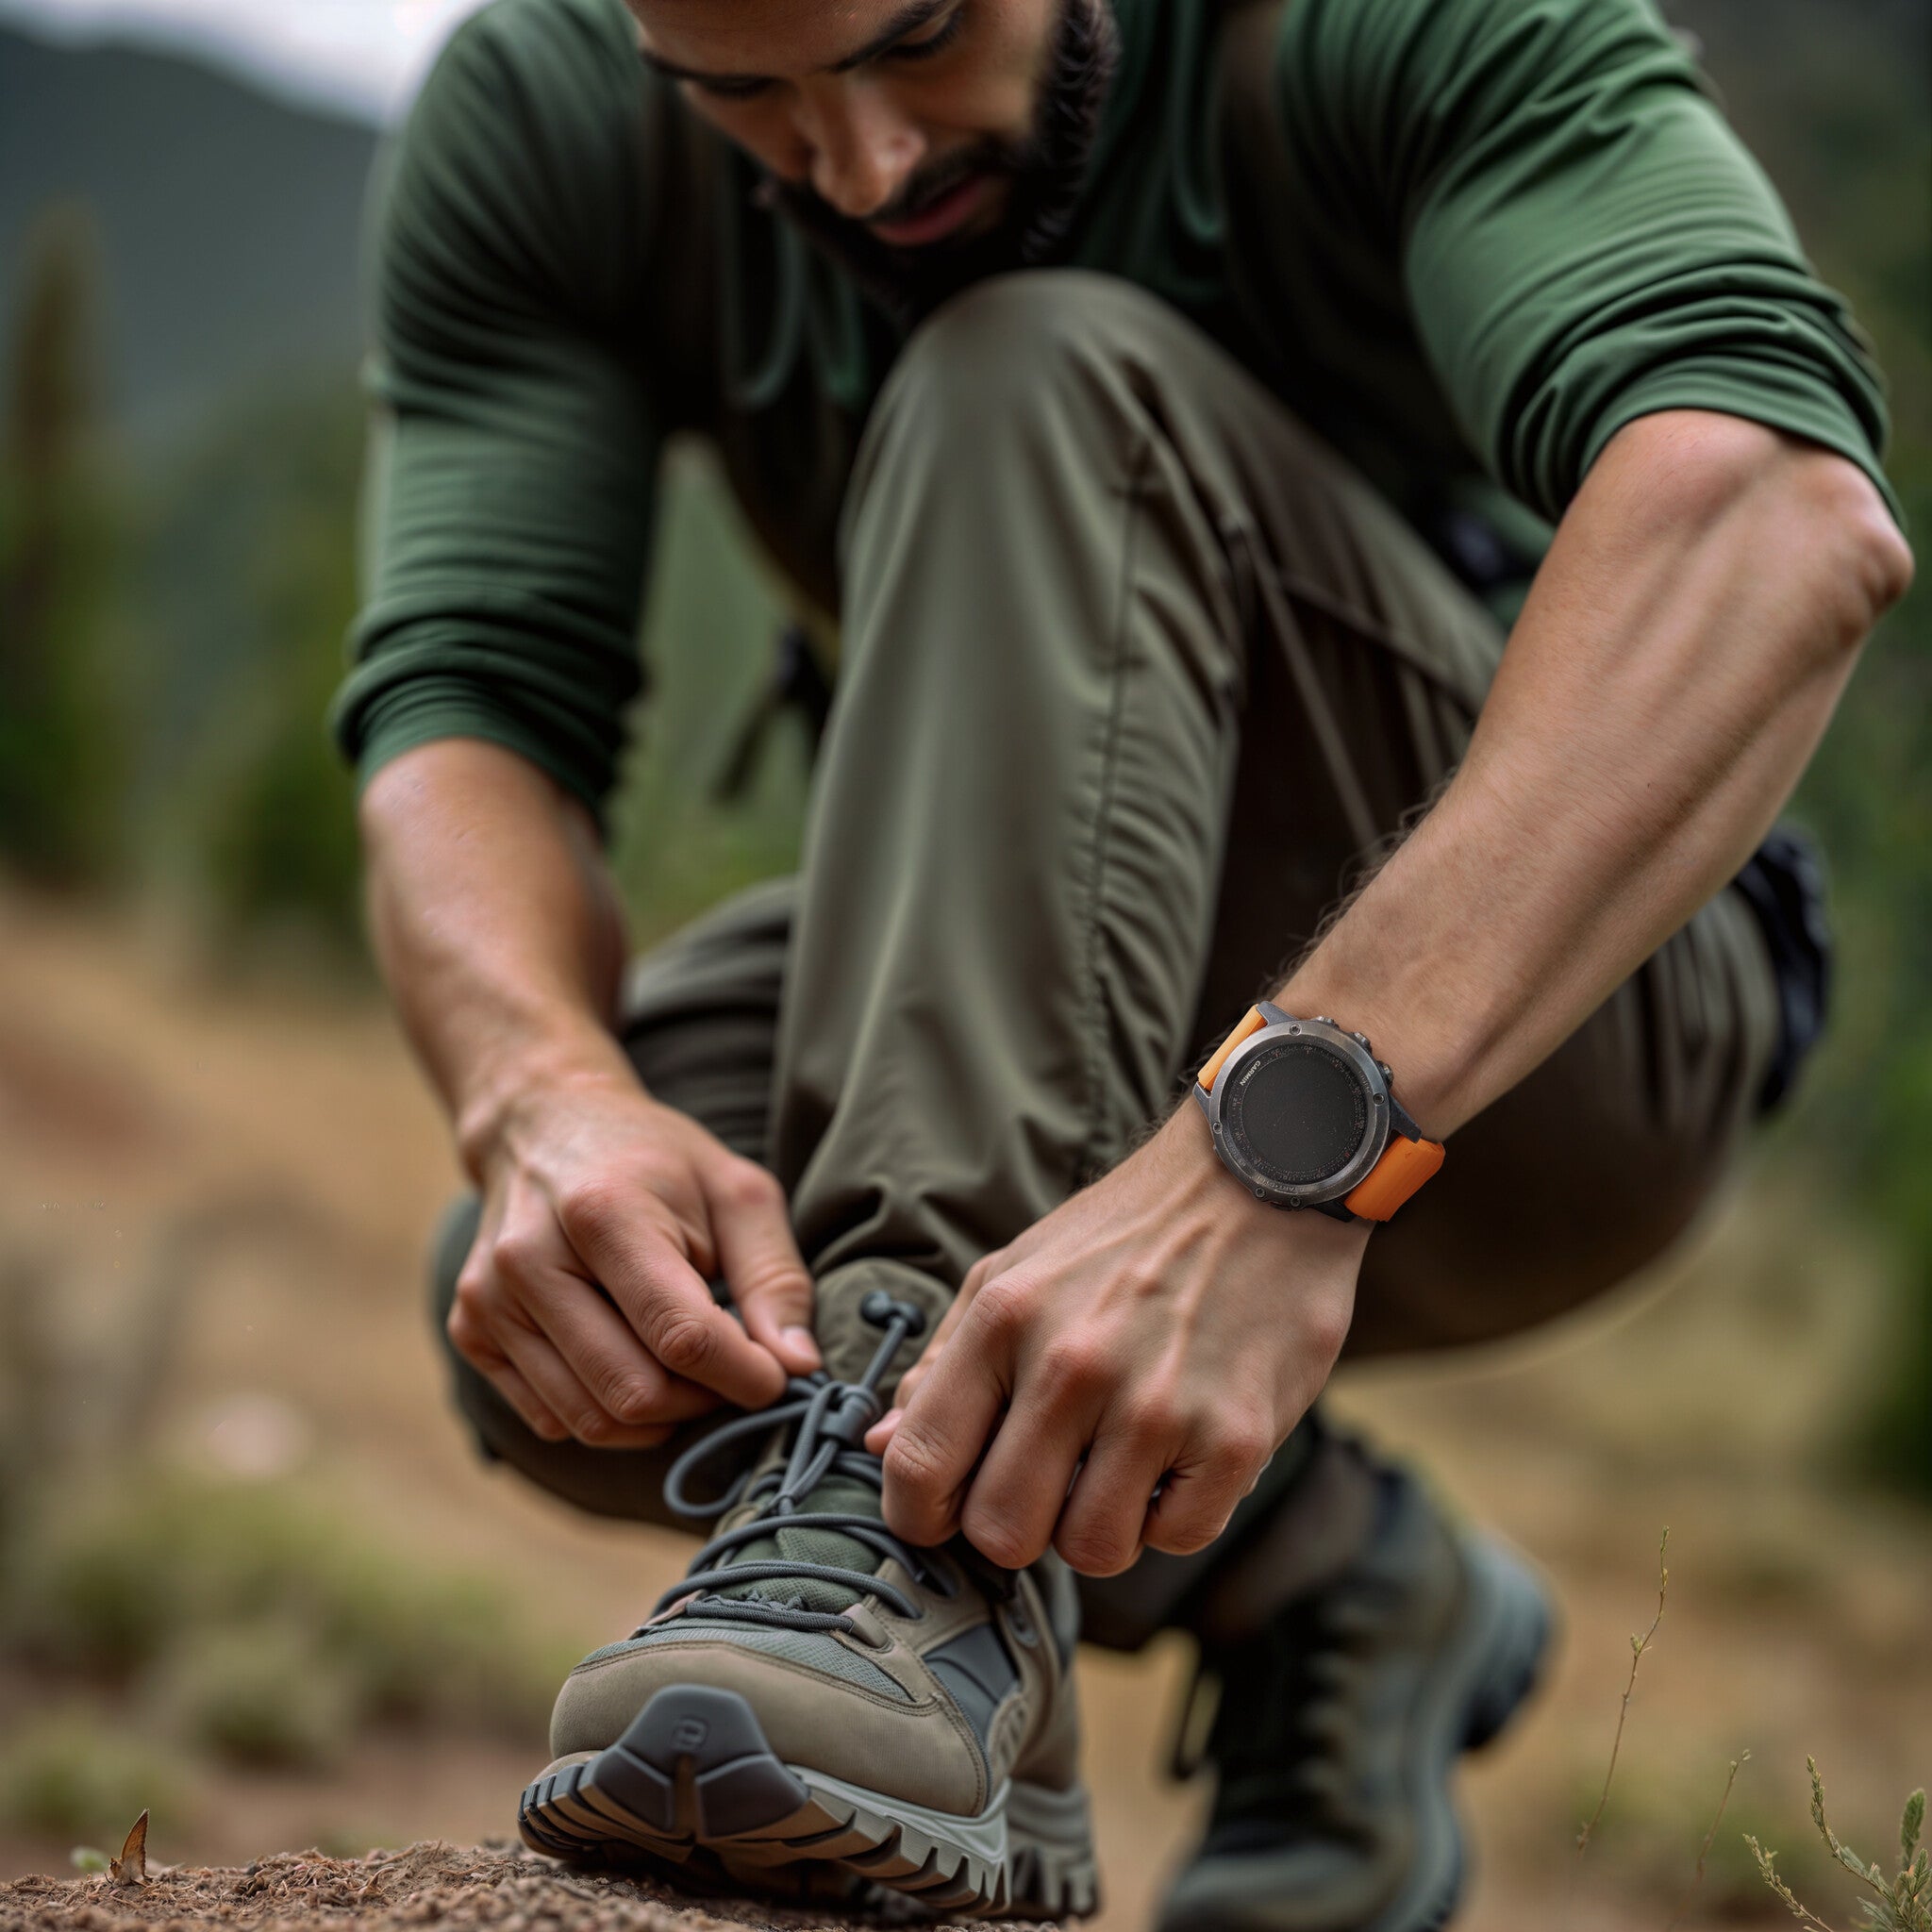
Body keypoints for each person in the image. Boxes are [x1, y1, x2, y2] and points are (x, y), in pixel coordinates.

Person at [333, 0, 1911, 1923]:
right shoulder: (546, 108)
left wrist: (1289, 1146)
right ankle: (1325, 1570)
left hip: (1554, 1033)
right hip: (1032, 959)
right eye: (740, 97)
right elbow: (468, 702)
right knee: (581, 1309)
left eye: (920, 41)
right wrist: (544, 1104)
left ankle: (922, 1585)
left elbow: (1769, 507)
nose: (864, 164)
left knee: (1032, 368)